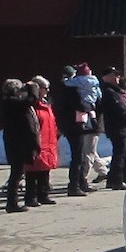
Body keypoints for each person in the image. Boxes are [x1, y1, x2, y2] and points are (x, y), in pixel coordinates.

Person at [0, 78, 38, 213]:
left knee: (17, 172)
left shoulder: (9, 102)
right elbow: (31, 101)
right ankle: (12, 203)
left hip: (14, 141)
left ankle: (12, 202)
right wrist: (31, 88)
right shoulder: (13, 102)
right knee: (16, 173)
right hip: (17, 142)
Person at [23, 76, 60, 207]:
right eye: (45, 88)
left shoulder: (46, 104)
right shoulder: (31, 105)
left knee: (45, 169)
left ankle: (43, 194)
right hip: (37, 141)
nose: (47, 91)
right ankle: (30, 197)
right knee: (33, 170)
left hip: (48, 141)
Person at [53, 65, 89, 196]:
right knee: (78, 155)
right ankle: (74, 185)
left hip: (68, 124)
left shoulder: (61, 89)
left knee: (80, 154)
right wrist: (88, 105)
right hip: (74, 125)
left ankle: (81, 182)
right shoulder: (70, 90)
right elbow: (80, 105)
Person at [100, 67, 126, 190]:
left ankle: (112, 180)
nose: (117, 78)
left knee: (120, 153)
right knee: (120, 154)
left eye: (117, 75)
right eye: (114, 75)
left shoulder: (116, 91)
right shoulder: (109, 92)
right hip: (117, 127)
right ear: (106, 77)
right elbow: (120, 109)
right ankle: (117, 180)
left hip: (120, 126)